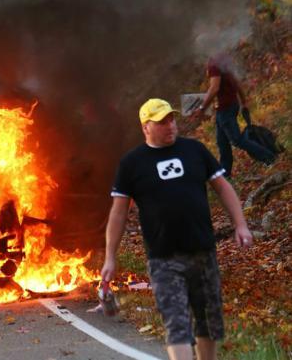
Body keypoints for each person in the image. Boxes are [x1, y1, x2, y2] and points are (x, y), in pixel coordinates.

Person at [101, 98, 253, 360]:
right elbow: (118, 213)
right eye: (161, 122)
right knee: (177, 325)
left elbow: (223, 187)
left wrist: (240, 224)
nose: (170, 125)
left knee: (207, 322)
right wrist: (110, 257)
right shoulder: (132, 163)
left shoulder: (195, 150)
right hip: (164, 260)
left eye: (171, 119)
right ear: (146, 127)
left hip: (203, 252)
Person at [194, 57, 275, 177]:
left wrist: (202, 108)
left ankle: (269, 158)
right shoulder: (223, 59)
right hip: (230, 106)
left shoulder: (213, 64)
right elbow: (236, 82)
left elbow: (214, 88)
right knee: (222, 143)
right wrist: (243, 101)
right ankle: (225, 174)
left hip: (225, 109)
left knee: (237, 140)